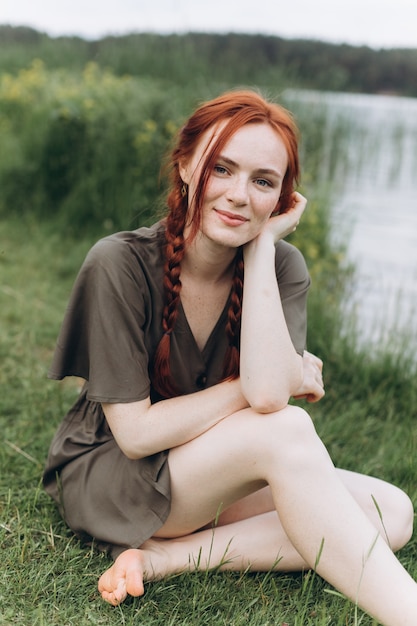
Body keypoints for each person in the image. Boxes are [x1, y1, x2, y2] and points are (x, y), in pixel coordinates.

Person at [43, 89, 417, 625]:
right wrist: (282, 374)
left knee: (394, 512)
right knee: (284, 429)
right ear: (187, 166)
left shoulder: (282, 266)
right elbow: (142, 433)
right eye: (223, 168)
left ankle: (168, 558)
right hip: (114, 474)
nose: (240, 195)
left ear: (282, 200)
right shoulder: (119, 264)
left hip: (204, 474)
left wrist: (262, 250)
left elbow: (267, 393)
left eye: (263, 181)